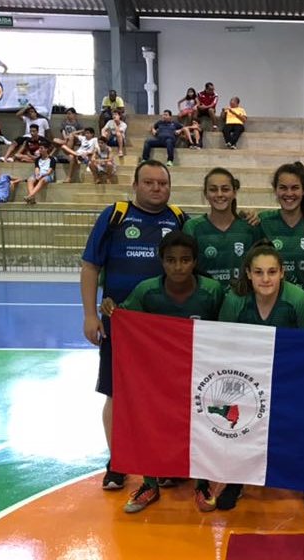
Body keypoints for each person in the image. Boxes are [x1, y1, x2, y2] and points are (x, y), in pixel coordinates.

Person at [99, 231, 225, 514]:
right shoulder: (147, 291)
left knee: (202, 424)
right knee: (149, 425)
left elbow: (225, 329)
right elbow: (127, 322)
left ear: (194, 261)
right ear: (161, 262)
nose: (178, 266)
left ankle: (203, 482)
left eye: (184, 260)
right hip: (157, 377)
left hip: (199, 373)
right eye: (170, 260)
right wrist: (112, 311)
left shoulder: (212, 291)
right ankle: (149, 484)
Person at [81, 160, 187, 491]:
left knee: (167, 396)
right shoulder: (115, 216)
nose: (157, 188)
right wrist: (89, 315)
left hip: (166, 328)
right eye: (150, 182)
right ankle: (118, 462)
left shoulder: (179, 219)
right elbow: (90, 267)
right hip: (121, 324)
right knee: (116, 393)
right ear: (135, 185)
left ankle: (167, 462)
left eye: (162, 183)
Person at [216, 241, 304, 512]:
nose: (266, 279)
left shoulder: (297, 300)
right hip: (246, 374)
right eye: (259, 272)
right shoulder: (235, 301)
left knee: (299, 426)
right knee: (240, 425)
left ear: (282, 274)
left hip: (290, 374)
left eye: (272, 272)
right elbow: (222, 342)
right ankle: (236, 481)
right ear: (248, 274)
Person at [258, 162, 304, 327]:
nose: (289, 193)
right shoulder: (262, 221)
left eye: (295, 188)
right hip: (275, 308)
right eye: (283, 188)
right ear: (275, 190)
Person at [183, 167, 265, 288]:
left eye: (225, 189)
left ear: (234, 192)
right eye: (213, 190)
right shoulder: (192, 227)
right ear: (205, 193)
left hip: (241, 300)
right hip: (207, 300)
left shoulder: (250, 226)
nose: (220, 194)